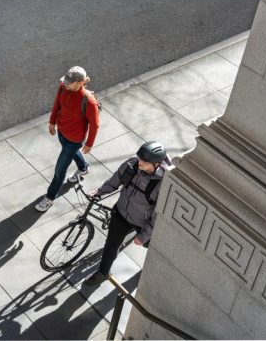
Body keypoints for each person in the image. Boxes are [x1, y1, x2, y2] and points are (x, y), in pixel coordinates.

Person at [83, 141, 171, 286]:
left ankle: (154, 269)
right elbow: (116, 179)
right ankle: (103, 272)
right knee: (111, 244)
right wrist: (100, 191)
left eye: (145, 161)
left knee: (152, 247)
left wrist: (143, 236)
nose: (140, 162)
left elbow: (157, 215)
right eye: (140, 158)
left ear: (157, 164)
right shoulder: (132, 164)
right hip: (121, 212)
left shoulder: (163, 183)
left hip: (142, 223)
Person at [35, 66, 100, 212]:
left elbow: (95, 125)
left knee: (60, 170)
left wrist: (89, 144)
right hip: (62, 133)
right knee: (69, 152)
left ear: (80, 82)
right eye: (65, 80)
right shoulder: (63, 87)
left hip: (74, 140)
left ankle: (50, 197)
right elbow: (57, 103)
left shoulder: (89, 101)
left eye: (69, 82)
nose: (65, 83)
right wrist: (52, 121)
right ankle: (83, 168)